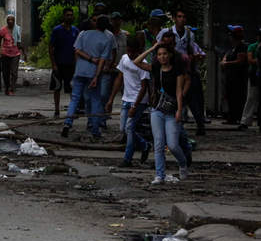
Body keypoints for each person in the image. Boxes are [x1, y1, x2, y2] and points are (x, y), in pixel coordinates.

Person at [130, 41, 190, 185]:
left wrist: (179, 111)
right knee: (158, 143)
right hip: (156, 109)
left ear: (169, 55)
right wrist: (152, 48)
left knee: (173, 145)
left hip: (171, 111)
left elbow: (179, 92)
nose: (162, 57)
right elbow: (136, 62)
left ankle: (183, 164)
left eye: (164, 54)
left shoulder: (177, 71)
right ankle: (159, 175)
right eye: (159, 55)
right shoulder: (155, 69)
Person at [64, 14, 114, 141]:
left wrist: (87, 59)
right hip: (93, 73)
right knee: (95, 100)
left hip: (80, 70)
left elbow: (77, 51)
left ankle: (67, 123)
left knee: (75, 98)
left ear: (96, 24)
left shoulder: (83, 34)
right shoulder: (107, 39)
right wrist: (97, 75)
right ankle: (95, 129)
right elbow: (102, 61)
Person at [158, 9, 207, 136]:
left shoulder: (189, 34)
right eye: (179, 16)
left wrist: (193, 60)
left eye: (184, 17)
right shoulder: (166, 32)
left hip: (185, 69)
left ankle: (199, 124)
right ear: (174, 18)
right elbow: (158, 49)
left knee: (192, 98)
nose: (182, 19)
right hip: (169, 69)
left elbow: (190, 51)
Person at [108, 33, 151, 167]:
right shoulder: (124, 59)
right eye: (129, 51)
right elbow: (119, 78)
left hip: (139, 100)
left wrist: (135, 105)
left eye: (134, 52)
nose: (131, 54)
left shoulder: (143, 64)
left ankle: (127, 159)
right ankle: (144, 145)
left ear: (139, 51)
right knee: (125, 129)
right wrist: (111, 99)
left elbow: (144, 87)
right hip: (126, 99)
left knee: (130, 128)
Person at [48, 7, 79, 118]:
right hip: (59, 63)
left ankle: (72, 110)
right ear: (63, 16)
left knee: (72, 88)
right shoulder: (57, 30)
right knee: (57, 88)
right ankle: (57, 110)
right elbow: (51, 47)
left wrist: (77, 64)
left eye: (71, 15)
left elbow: (77, 49)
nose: (70, 17)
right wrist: (54, 64)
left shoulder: (75, 30)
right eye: (68, 15)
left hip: (71, 64)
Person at [218, 25, 249, 125]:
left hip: (238, 77)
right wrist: (224, 61)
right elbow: (226, 57)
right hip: (230, 77)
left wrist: (226, 64)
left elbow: (240, 61)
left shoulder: (242, 47)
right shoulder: (233, 48)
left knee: (238, 97)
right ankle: (232, 117)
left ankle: (237, 117)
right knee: (230, 97)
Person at [0, 13, 24, 95]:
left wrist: (24, 52)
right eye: (8, 20)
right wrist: (0, 50)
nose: (10, 21)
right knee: (6, 72)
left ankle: (12, 88)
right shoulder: (3, 30)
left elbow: (19, 42)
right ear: (6, 21)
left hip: (15, 53)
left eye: (12, 20)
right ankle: (7, 87)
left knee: (14, 72)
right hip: (5, 54)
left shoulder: (17, 29)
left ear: (14, 21)